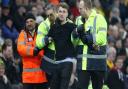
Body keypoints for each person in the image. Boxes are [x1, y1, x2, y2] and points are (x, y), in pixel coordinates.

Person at [72, 0, 107, 89]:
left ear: (86, 8)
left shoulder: (100, 18)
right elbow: (74, 42)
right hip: (83, 63)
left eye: (80, 8)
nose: (78, 11)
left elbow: (102, 38)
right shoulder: (78, 20)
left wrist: (89, 38)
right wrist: (74, 34)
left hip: (97, 63)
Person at [45, 2, 77, 89]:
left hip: (68, 61)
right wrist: (47, 39)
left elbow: (78, 40)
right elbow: (47, 38)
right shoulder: (54, 27)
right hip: (57, 62)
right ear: (57, 13)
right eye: (60, 11)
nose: (61, 13)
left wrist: (73, 72)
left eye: (64, 11)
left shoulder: (72, 26)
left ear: (67, 14)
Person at [17, 12, 48, 89]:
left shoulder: (41, 33)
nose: (29, 24)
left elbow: (45, 49)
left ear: (35, 22)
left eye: (31, 21)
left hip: (41, 77)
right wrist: (34, 51)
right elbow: (20, 49)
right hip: (28, 78)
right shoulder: (22, 34)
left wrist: (37, 51)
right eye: (27, 22)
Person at [36, 3, 57, 87]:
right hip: (49, 61)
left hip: (61, 60)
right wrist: (47, 39)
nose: (50, 17)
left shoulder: (64, 21)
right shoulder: (43, 25)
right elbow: (39, 43)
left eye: (51, 14)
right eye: (48, 15)